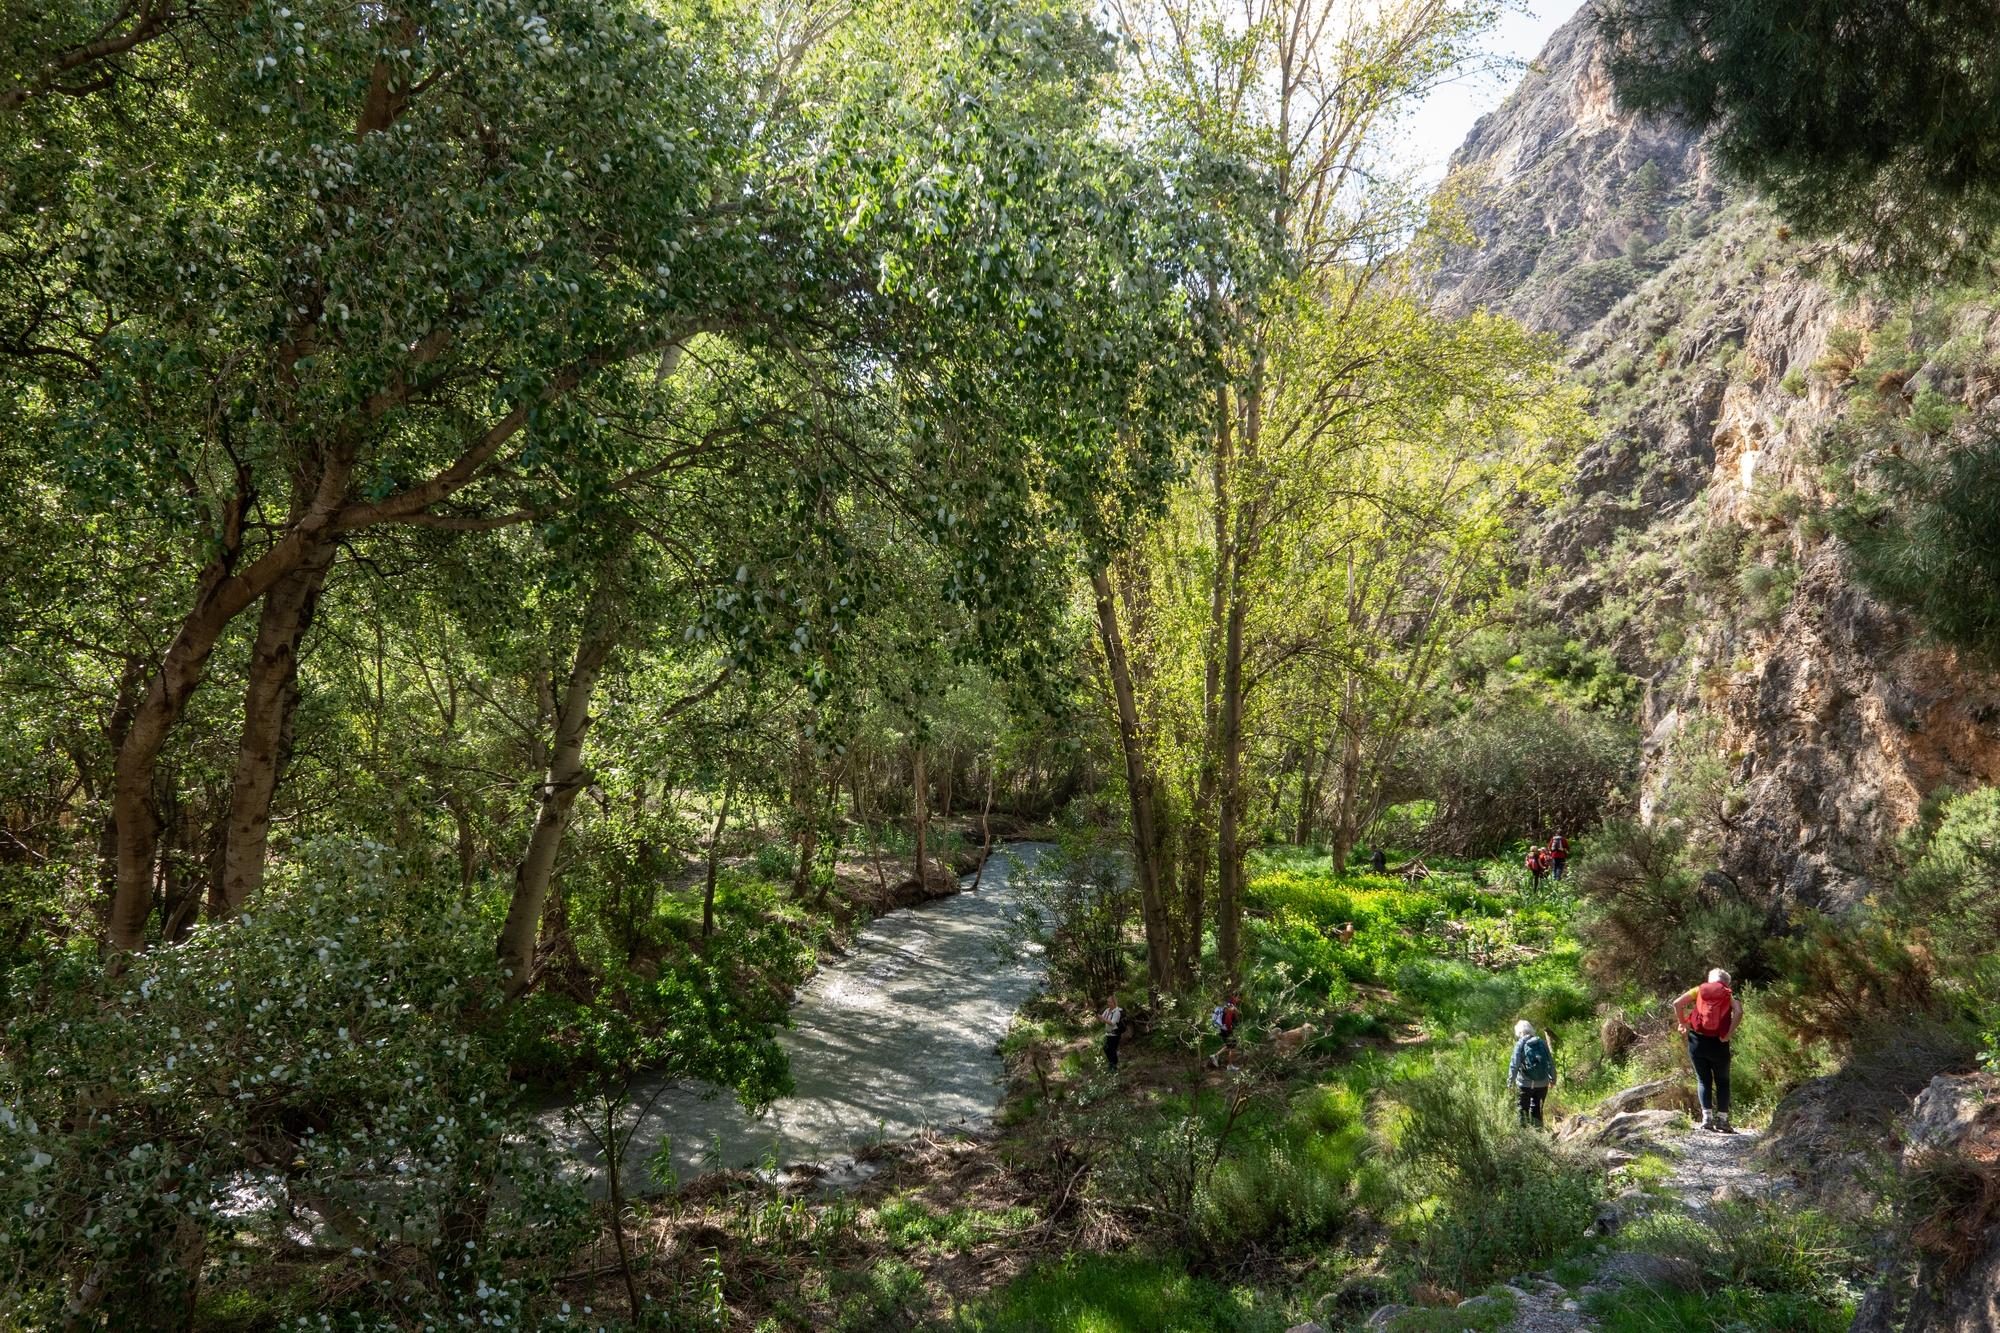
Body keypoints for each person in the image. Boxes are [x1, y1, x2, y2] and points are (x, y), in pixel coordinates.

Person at [1672, 968, 1743, 1132]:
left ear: (1710, 980)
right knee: (1723, 1081)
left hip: (1697, 1041)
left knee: (1703, 1080)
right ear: (1726, 982)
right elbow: (1739, 1011)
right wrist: (1729, 1034)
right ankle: (1723, 1121)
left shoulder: (1698, 990)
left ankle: (1707, 1120)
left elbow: (1677, 1004)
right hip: (1719, 1043)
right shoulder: (1728, 994)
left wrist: (1682, 1022)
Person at [1507, 1018, 1557, 1129]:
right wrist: (1553, 1079)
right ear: (1531, 1029)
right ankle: (1539, 1134)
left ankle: (1525, 1138)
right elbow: (1550, 1061)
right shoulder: (1541, 1042)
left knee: (1522, 1111)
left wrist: (1510, 1083)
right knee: (1537, 1110)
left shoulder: (1520, 1044)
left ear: (1519, 1032)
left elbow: (1514, 1065)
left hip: (1524, 1084)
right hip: (1542, 1084)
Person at [1208, 992, 1241, 1069]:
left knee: (1229, 1045)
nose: (1239, 999)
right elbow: (1228, 1019)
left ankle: (1215, 1056)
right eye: (1238, 997)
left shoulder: (1226, 1004)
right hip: (1226, 1028)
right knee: (1232, 1046)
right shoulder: (1230, 1005)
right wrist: (1230, 1029)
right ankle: (1229, 1065)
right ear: (1234, 996)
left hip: (1221, 1028)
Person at [1100, 993, 1126, 1072]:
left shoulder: (1117, 1012)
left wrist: (1103, 1019)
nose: (1108, 1003)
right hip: (1108, 1033)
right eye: (1107, 1002)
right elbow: (1102, 1019)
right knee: (1106, 1048)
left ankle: (1114, 1066)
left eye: (1110, 1002)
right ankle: (1112, 1063)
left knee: (1112, 1049)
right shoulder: (1107, 1010)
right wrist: (1098, 1017)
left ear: (1114, 1003)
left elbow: (1112, 1023)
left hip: (1115, 1034)